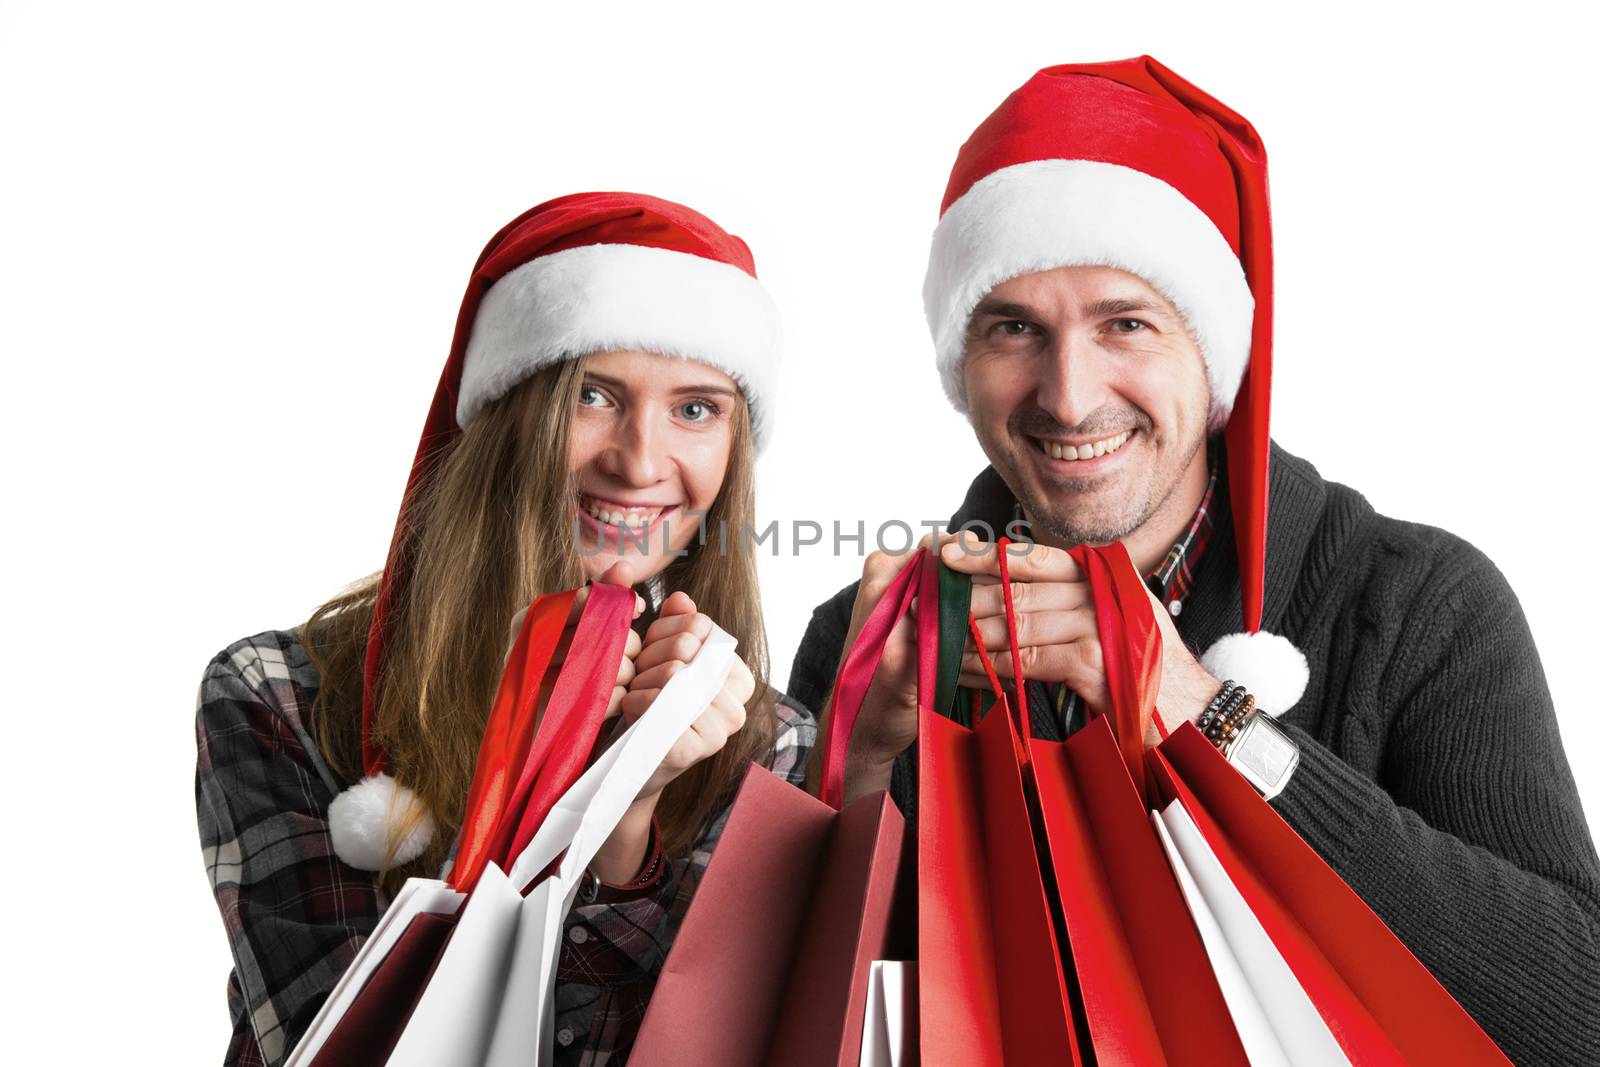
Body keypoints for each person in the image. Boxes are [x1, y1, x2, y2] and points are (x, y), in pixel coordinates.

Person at [789, 57, 1600, 1064]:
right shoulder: (870, 635)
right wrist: (853, 772)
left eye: (1124, 322)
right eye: (1013, 329)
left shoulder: (1418, 603)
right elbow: (789, 1020)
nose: (1070, 395)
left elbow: (1578, 1014)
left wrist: (1210, 721)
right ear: (961, 361)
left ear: (1212, 355)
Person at [194, 191, 814, 1066]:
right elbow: (343, 1045)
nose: (639, 461)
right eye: (594, 395)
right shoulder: (277, 695)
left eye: (696, 408)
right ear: (508, 417)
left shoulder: (767, 744)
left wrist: (628, 802)